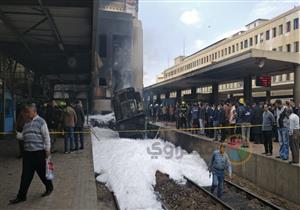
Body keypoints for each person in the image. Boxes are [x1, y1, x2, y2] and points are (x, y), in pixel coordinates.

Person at [9, 104, 53, 204]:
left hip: (39, 153)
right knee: (25, 176)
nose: (27, 114)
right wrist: (17, 135)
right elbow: (24, 136)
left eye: (28, 112)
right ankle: (21, 196)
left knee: (42, 173)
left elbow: (46, 137)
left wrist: (47, 150)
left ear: (34, 111)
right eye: (26, 112)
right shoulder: (26, 123)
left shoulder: (41, 122)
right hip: (28, 154)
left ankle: (49, 187)